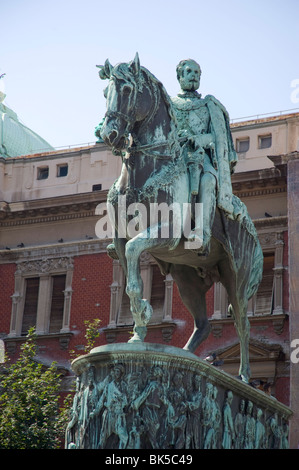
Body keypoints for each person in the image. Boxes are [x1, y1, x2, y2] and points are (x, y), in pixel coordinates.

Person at [171, 59, 238, 254]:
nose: (194, 75)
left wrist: (198, 139)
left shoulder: (208, 105)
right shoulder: (169, 104)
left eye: (197, 73)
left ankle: (201, 232)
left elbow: (217, 138)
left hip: (201, 158)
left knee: (208, 180)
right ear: (179, 76)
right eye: (189, 71)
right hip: (173, 158)